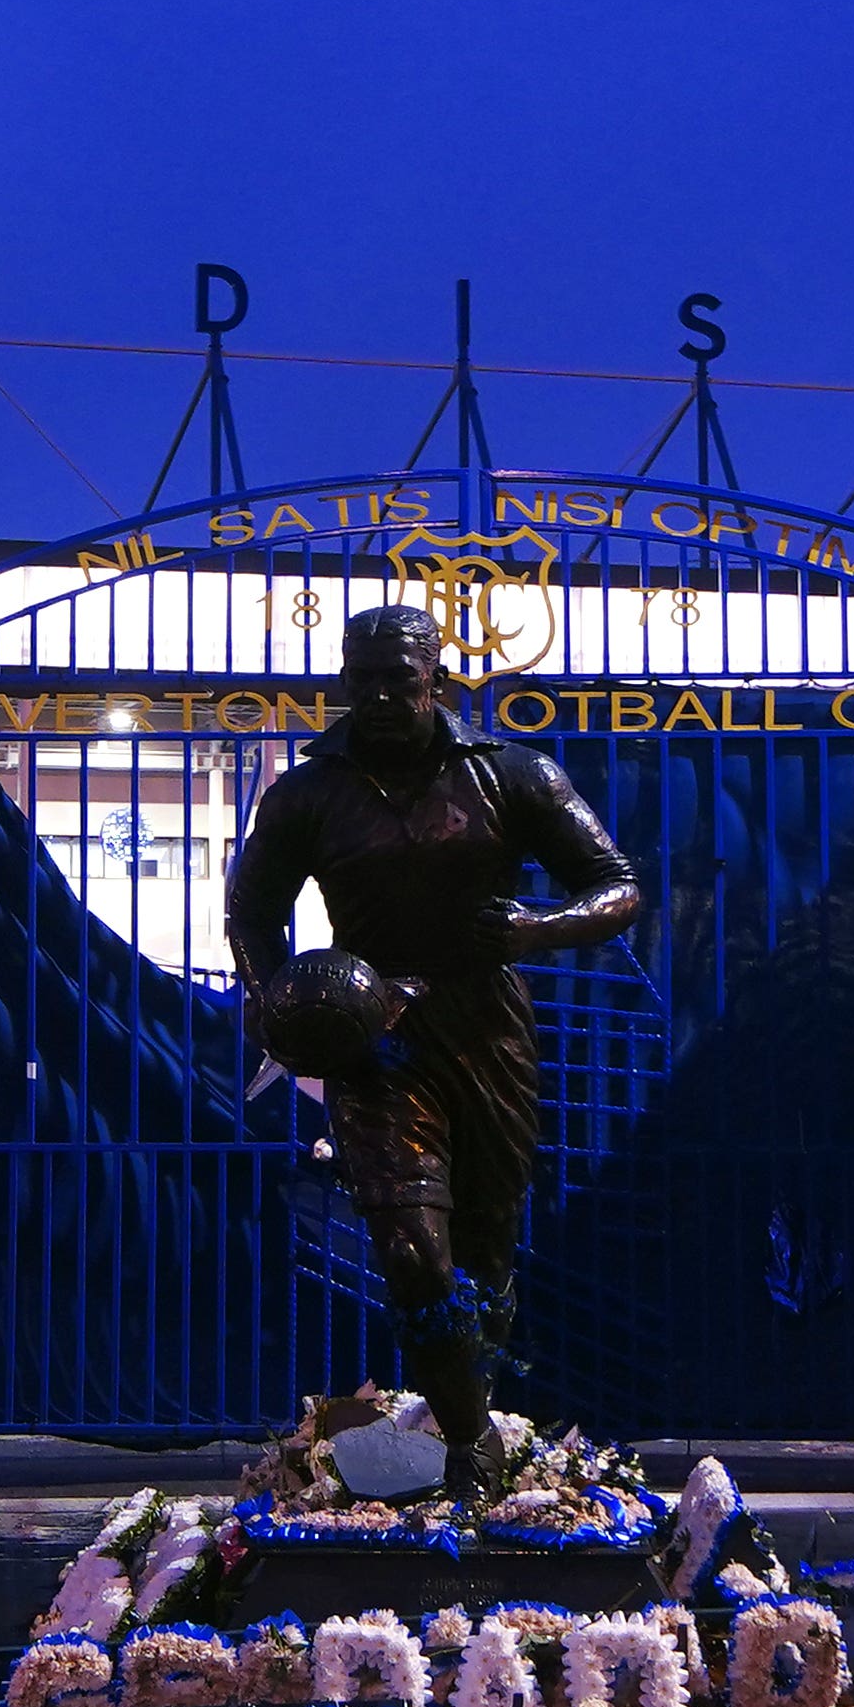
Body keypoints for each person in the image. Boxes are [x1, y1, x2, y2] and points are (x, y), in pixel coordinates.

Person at [228, 605, 647, 1493]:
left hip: (489, 1029)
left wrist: (541, 927)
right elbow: (251, 910)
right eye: (363, 677)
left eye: (399, 677)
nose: (380, 694)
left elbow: (616, 886)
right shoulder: (306, 794)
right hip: (376, 1041)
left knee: (487, 1244)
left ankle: (469, 1398)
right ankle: (467, 1442)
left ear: (436, 681)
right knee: (415, 1249)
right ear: (343, 681)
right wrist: (274, 1001)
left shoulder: (513, 773)